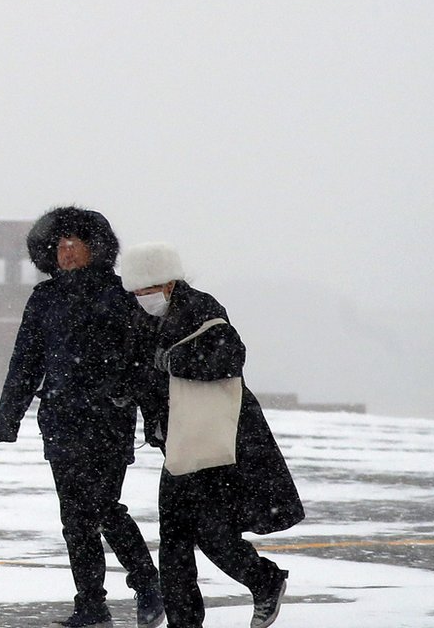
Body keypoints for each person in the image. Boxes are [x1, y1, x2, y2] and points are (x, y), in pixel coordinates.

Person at [0, 207, 164, 628]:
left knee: (105, 508)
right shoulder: (44, 298)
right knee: (75, 519)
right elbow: (25, 361)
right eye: (60, 245)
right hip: (61, 421)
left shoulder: (120, 296)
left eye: (75, 244)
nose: (66, 252)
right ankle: (91, 606)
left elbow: (143, 363)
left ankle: (148, 586)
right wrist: (8, 417)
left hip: (108, 421)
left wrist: (153, 417)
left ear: (95, 248)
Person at [117, 242, 302, 628]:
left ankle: (263, 579)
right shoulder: (140, 319)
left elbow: (228, 358)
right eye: (134, 293)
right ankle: (185, 621)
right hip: (179, 444)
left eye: (145, 291)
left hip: (219, 441)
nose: (140, 299)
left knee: (210, 532)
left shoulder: (200, 308)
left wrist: (174, 360)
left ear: (167, 284)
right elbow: (141, 371)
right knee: (174, 541)